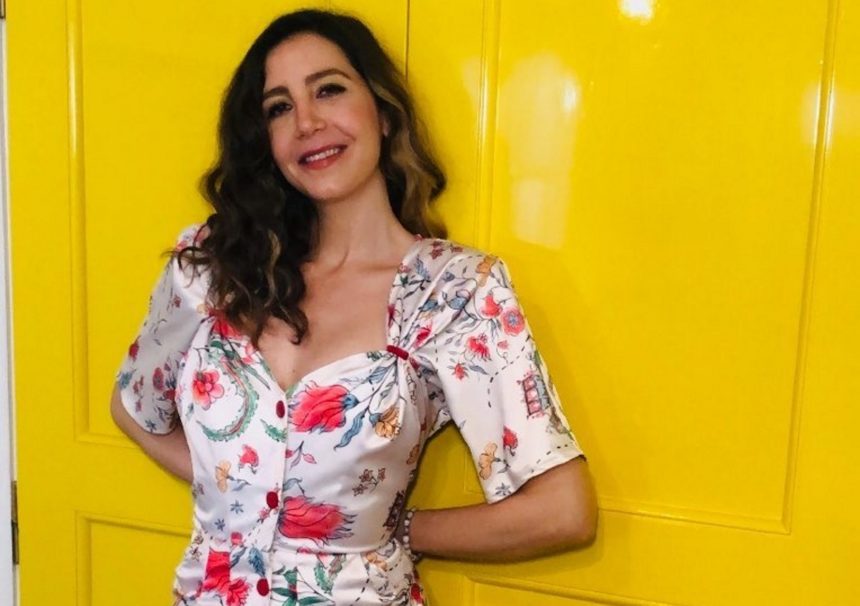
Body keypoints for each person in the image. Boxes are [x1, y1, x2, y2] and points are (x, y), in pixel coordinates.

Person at [111, 8, 597, 606]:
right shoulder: (213, 267)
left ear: (383, 113)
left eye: (329, 90)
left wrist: (392, 528)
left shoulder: (453, 292)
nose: (307, 122)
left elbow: (562, 510)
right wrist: (243, 488)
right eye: (279, 107)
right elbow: (133, 406)